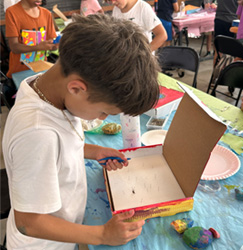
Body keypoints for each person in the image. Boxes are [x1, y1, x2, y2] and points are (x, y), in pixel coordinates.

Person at [2, 14, 160, 249]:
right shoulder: (38, 133)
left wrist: (93, 151)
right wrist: (103, 235)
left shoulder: (44, 87)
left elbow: (59, 147)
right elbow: (29, 222)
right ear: (76, 88)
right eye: (104, 111)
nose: (103, 118)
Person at [5, 0, 58, 107]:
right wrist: (38, 47)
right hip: (20, 72)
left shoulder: (46, 14)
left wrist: (56, 45)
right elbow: (14, 47)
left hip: (42, 70)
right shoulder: (12, 12)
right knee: (28, 105)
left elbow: (51, 45)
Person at [213, 0, 238, 65]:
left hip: (220, 19)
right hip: (232, 21)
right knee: (231, 53)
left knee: (218, 51)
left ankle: (215, 73)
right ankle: (227, 72)